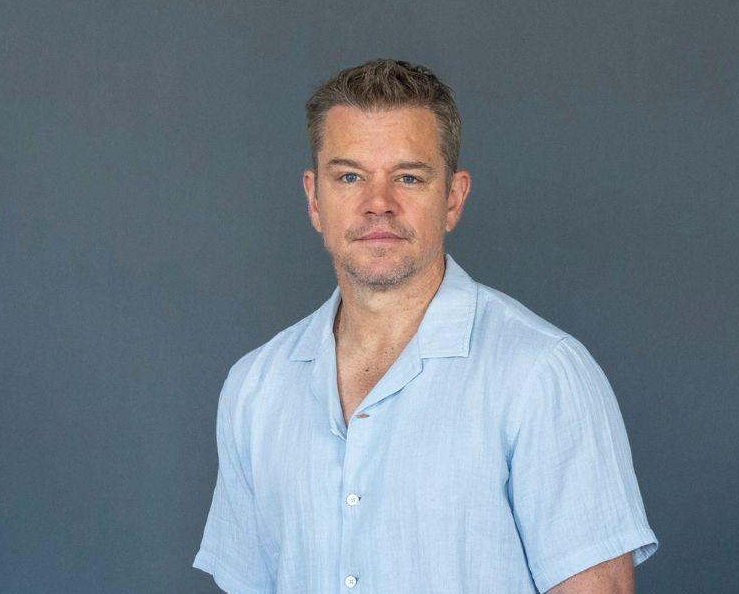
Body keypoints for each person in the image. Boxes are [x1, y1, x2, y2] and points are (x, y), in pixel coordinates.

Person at [193, 58, 657, 593]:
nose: (378, 204)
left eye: (409, 177)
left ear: (453, 199)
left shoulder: (541, 374)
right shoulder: (256, 387)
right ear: (314, 199)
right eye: (349, 177)